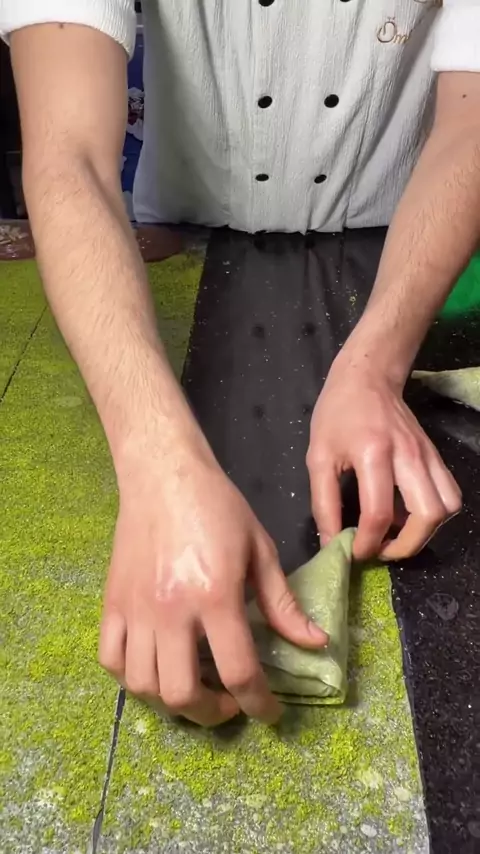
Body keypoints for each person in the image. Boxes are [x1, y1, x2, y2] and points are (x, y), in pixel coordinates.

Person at [1, 0, 476, 727]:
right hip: (177, 240)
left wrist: (377, 365)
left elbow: (471, 124)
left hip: (393, 243)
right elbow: (71, 153)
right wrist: (159, 464)